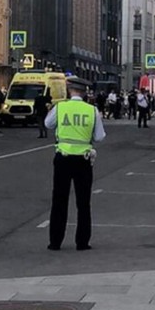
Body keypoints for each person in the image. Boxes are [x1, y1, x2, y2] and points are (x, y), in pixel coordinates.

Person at [44, 77, 106, 251]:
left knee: (59, 200)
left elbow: (47, 124)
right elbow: (100, 137)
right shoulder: (92, 110)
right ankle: (82, 242)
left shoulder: (61, 107)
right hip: (83, 160)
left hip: (63, 158)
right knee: (83, 202)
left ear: (70, 91)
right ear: (85, 92)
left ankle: (55, 242)